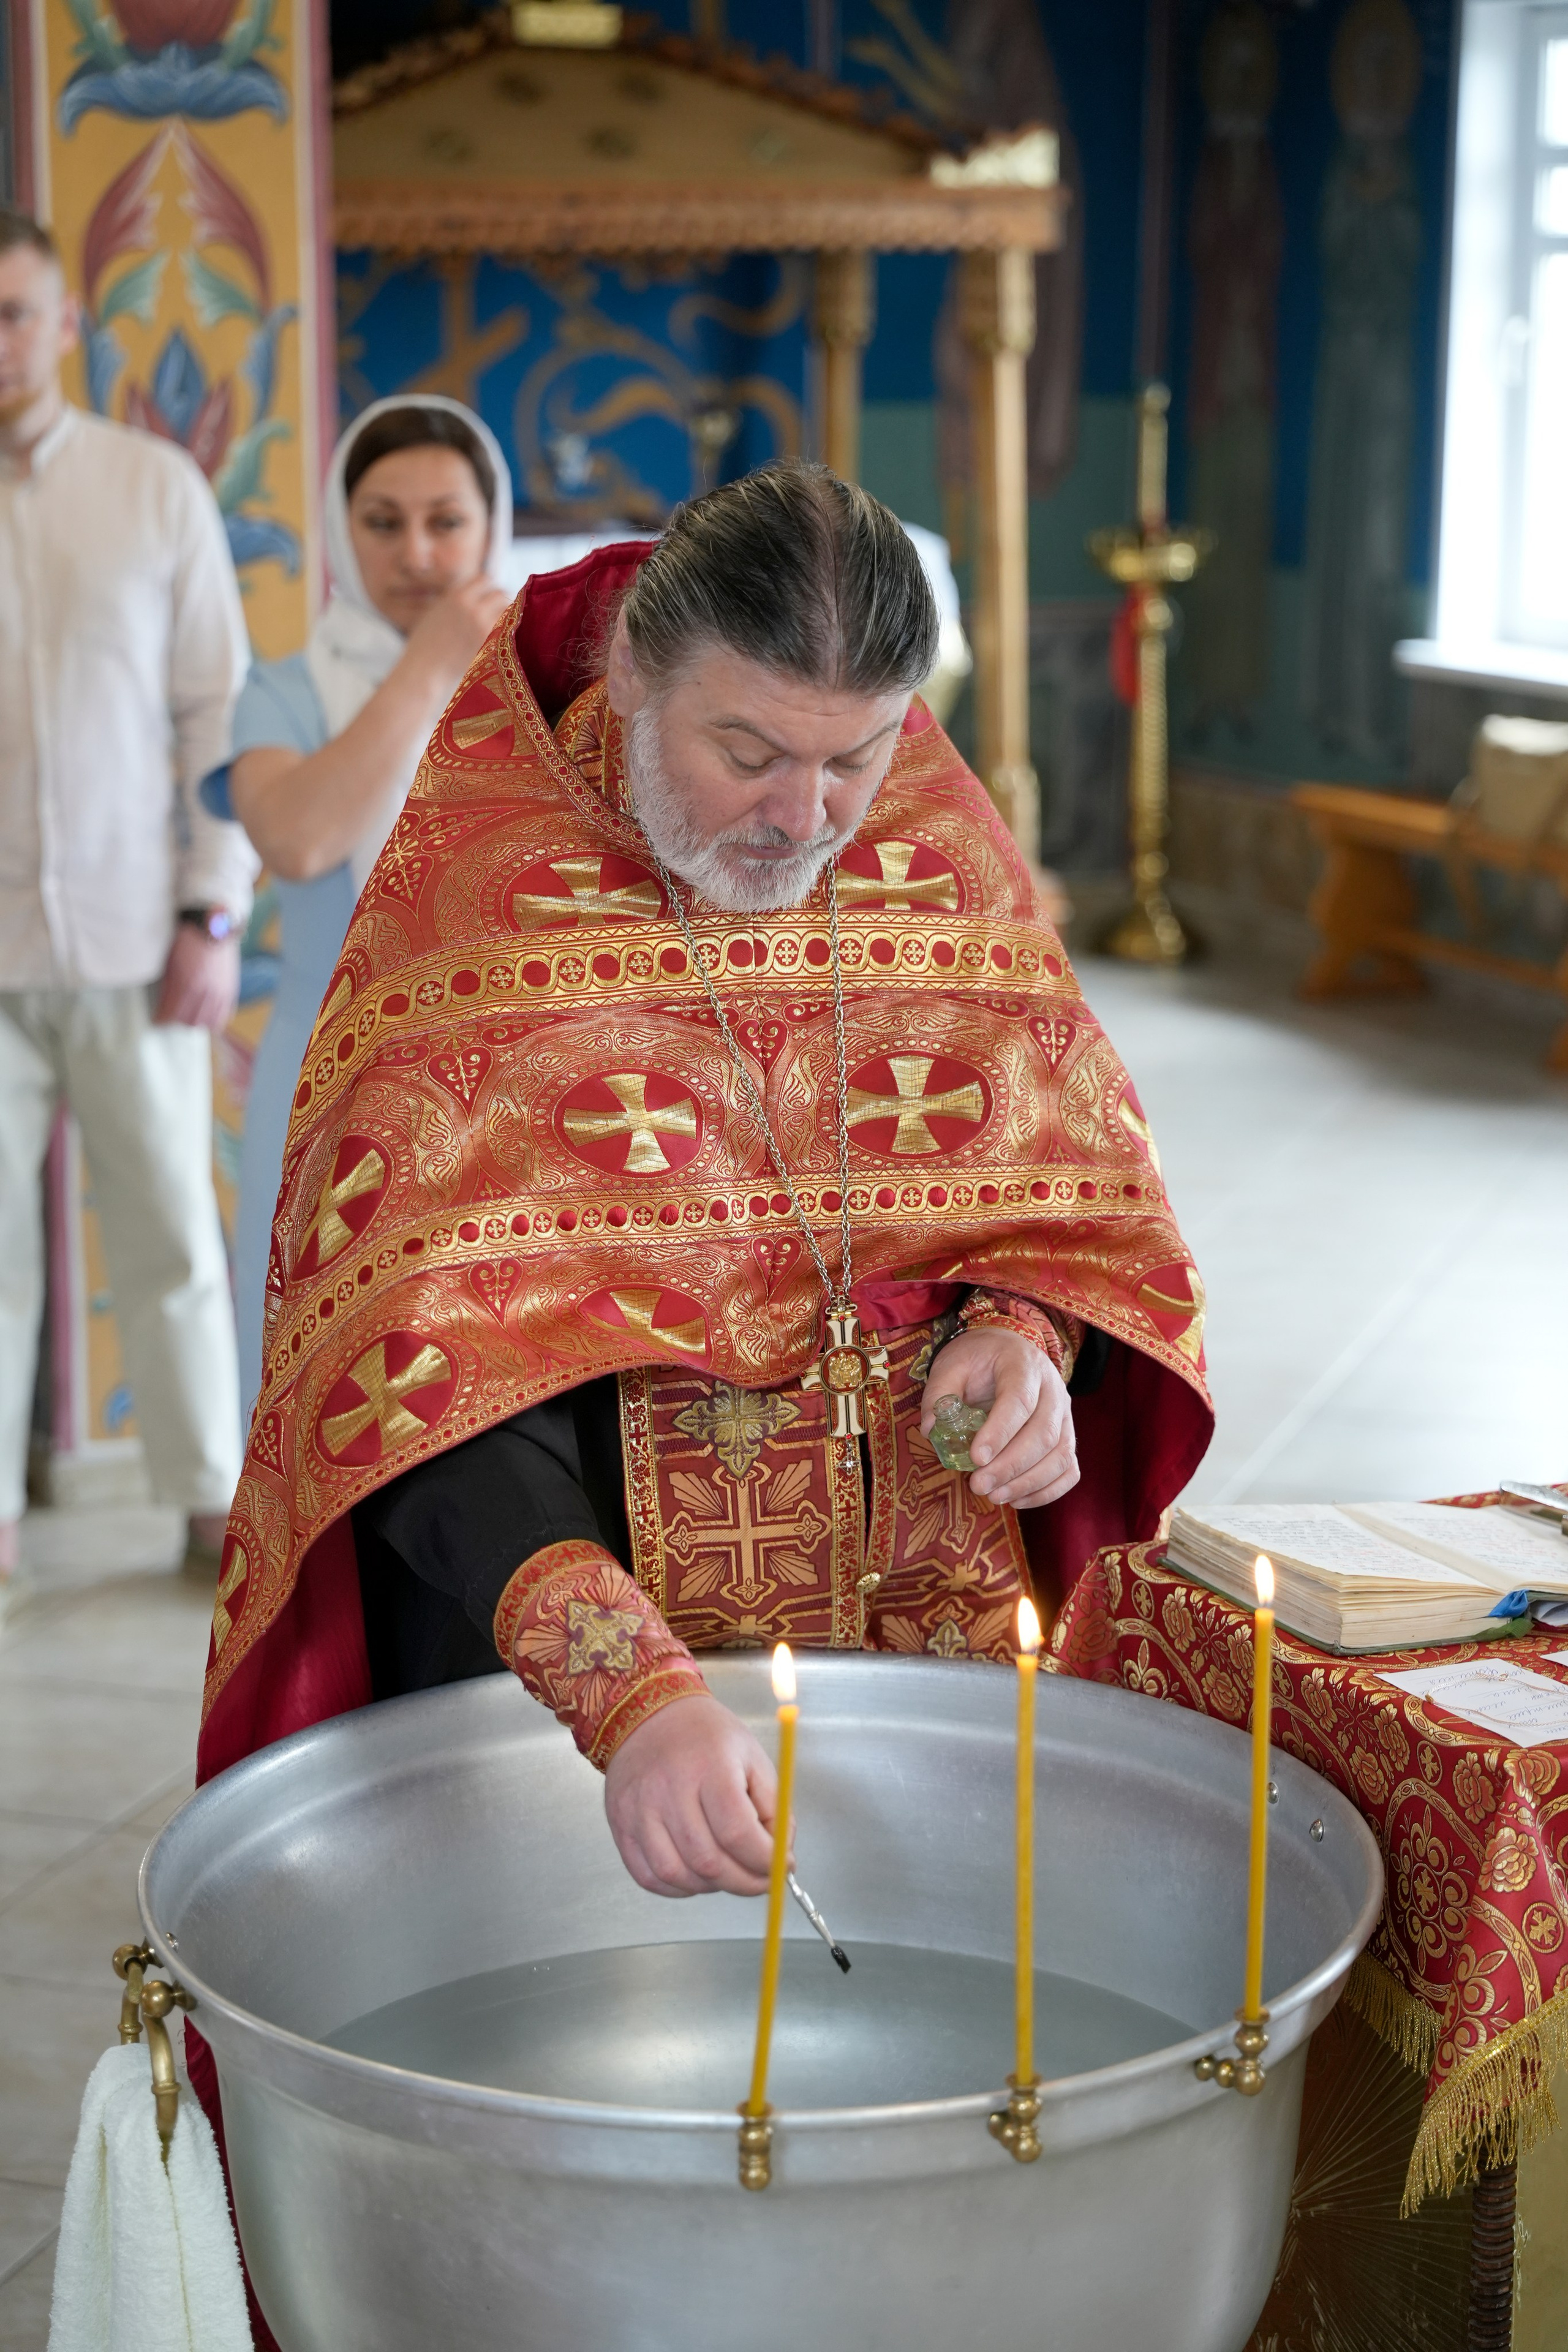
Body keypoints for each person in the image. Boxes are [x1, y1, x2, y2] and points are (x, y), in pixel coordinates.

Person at [195, 461, 1213, 1895]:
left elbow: (1062, 1200)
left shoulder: (931, 840)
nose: (804, 816)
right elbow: (404, 1372)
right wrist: (628, 1690)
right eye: (745, 750)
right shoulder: (474, 903)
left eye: (853, 756)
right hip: (584, 1714)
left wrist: (1026, 1341)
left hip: (931, 1647)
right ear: (632, 674)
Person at [0, 208, 254, 1584]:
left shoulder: (154, 489)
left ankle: (211, 1498)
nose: (0, 343)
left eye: (13, 312)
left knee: (168, 1226)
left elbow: (216, 714)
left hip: (137, 934)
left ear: (63, 326)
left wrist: (213, 910)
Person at [211, 397, 515, 1436]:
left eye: (447, 520)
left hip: (502, 1070)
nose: (418, 551)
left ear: (493, 524)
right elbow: (295, 838)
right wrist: (427, 663)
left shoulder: (544, 686)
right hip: (326, 1074)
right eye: (384, 522)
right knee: (324, 1376)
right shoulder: (283, 691)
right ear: (344, 530)